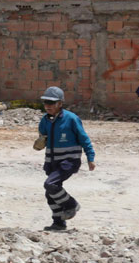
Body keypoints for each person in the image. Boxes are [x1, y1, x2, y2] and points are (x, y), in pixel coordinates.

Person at [36, 86, 95, 232]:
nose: (48, 106)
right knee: (50, 193)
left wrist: (90, 157)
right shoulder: (44, 121)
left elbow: (84, 138)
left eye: (51, 103)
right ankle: (59, 223)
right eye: (45, 102)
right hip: (52, 162)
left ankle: (71, 205)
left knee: (50, 185)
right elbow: (42, 139)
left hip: (69, 161)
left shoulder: (71, 119)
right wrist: (39, 143)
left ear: (60, 104)